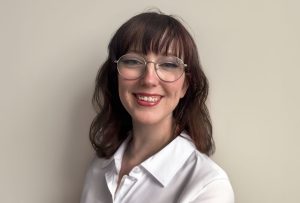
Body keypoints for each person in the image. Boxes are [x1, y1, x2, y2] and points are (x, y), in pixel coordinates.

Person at [80, 11, 234, 203]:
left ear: (185, 84)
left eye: (169, 64)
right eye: (133, 61)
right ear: (116, 76)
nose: (149, 79)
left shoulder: (208, 186)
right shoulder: (98, 167)